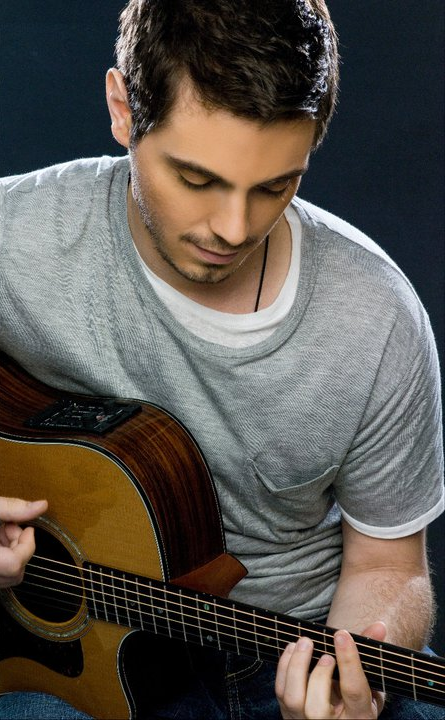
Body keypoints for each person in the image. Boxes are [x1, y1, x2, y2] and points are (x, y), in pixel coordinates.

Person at [0, 0, 443, 718]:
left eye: (274, 186)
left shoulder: (376, 317)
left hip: (291, 645)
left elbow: (390, 566)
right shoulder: (15, 239)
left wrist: (350, 679)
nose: (233, 229)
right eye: (196, 179)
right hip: (66, 659)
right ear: (122, 109)